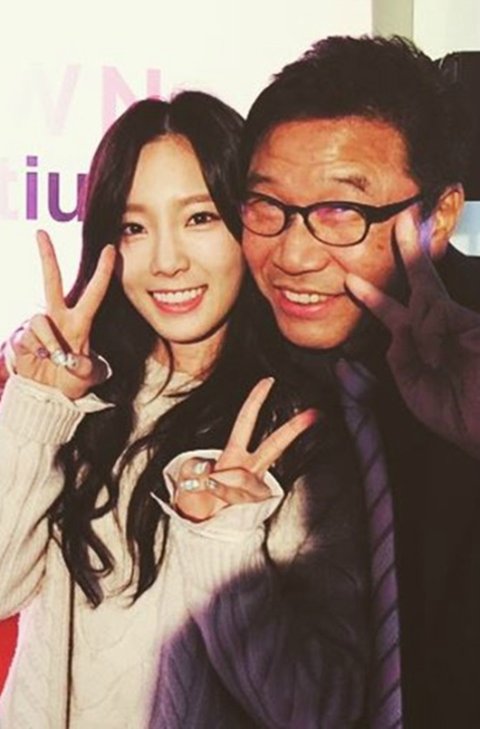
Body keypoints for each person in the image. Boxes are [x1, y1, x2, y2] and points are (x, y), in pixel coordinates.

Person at [0, 91, 368, 728]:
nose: (167, 261)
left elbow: (322, 710)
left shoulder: (296, 431)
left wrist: (226, 545)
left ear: (249, 223)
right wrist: (39, 408)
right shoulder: (80, 399)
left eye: (199, 218)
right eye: (134, 228)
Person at [239, 33, 480, 729]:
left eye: (342, 211)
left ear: (440, 216)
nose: (292, 254)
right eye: (266, 205)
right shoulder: (230, 351)